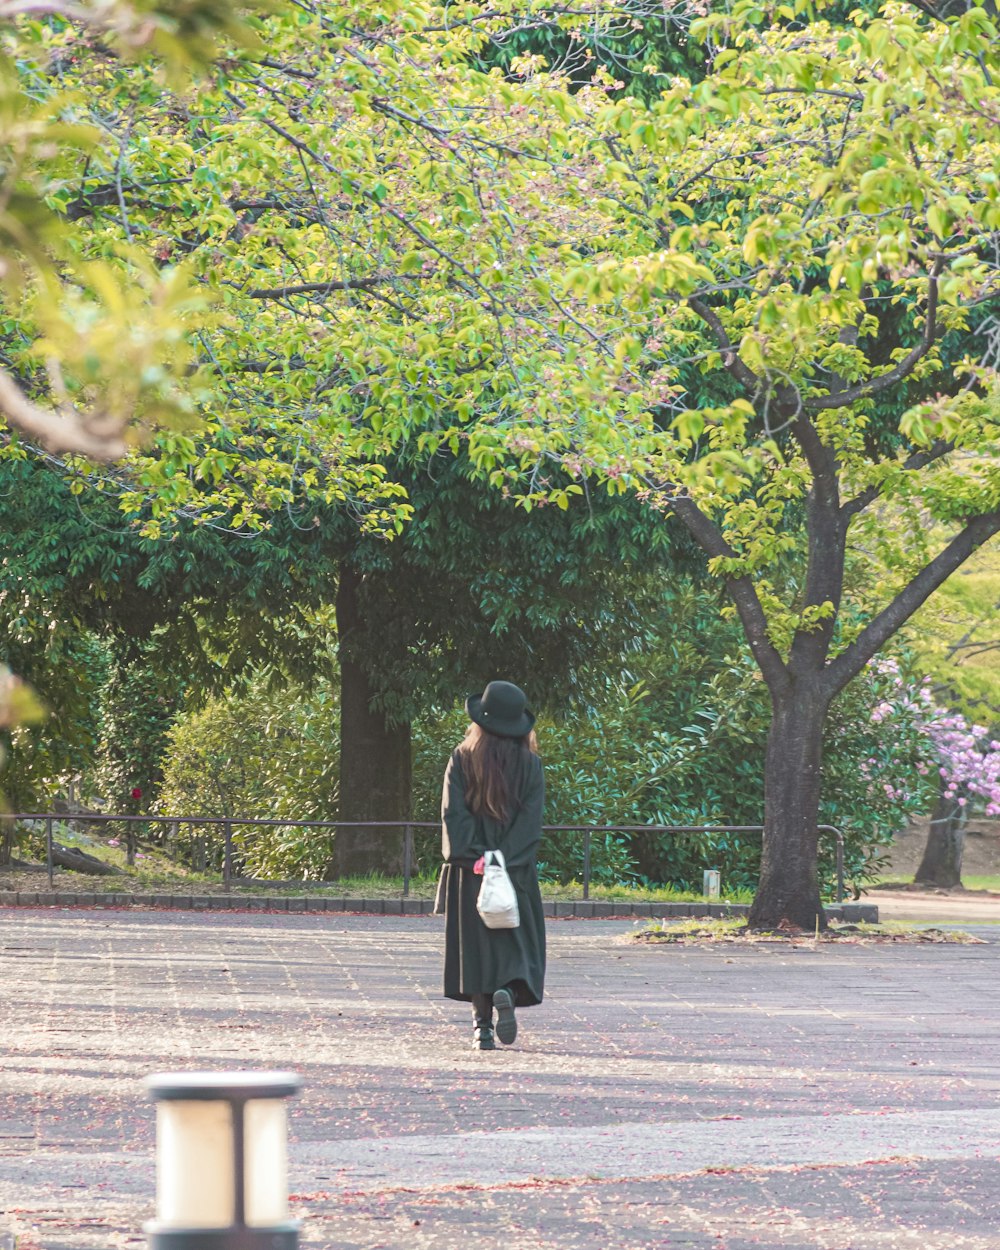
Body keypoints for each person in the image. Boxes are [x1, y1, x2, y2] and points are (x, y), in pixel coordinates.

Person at [434, 680, 546, 1050]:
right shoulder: (530, 765)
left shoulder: (462, 759)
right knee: (517, 943)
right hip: (514, 872)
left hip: (471, 872)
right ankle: (508, 994)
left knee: (474, 949)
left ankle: (482, 1028)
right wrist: (503, 858)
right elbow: (530, 824)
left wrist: (475, 856)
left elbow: (454, 816)